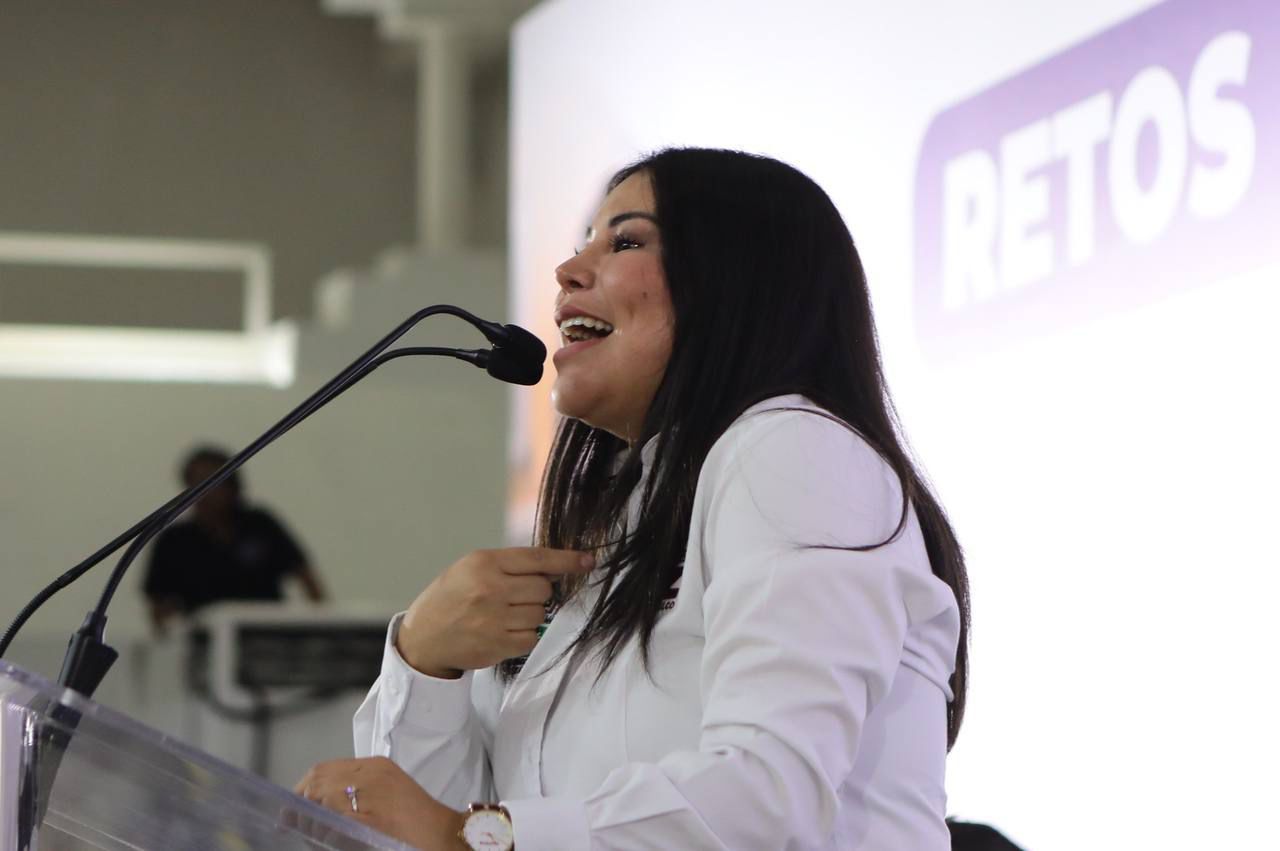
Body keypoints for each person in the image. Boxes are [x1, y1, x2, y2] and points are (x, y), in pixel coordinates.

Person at [297, 148, 970, 850]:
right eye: (582, 240)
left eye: (625, 240)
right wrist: (424, 660)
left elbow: (769, 794)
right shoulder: (627, 519)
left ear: (735, 280)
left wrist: (478, 834)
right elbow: (429, 833)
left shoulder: (793, 448)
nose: (567, 272)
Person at [142, 445, 326, 634]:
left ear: (232, 485)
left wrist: (321, 629)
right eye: (195, 483)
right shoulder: (174, 541)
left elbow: (306, 577)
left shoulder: (261, 524)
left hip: (268, 637)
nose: (205, 494)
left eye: (212, 483)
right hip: (205, 642)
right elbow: (158, 605)